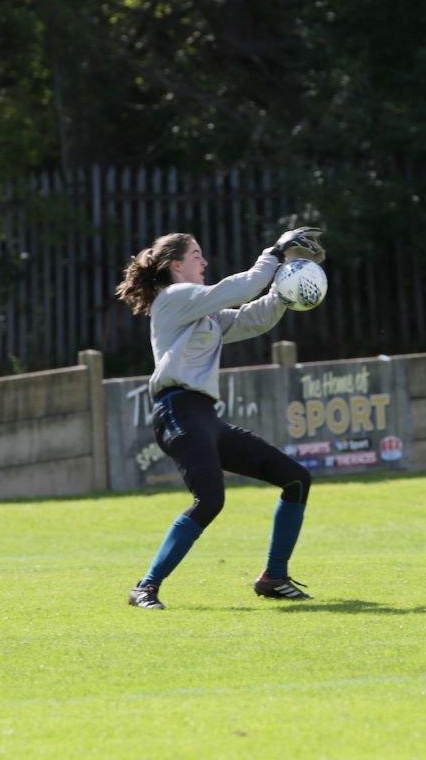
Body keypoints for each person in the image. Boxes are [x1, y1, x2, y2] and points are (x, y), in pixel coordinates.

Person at [114, 225, 326, 609]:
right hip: (177, 412)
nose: (204, 261)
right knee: (210, 499)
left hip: (204, 418)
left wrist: (285, 289)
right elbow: (239, 288)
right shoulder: (174, 298)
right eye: (197, 255)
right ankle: (145, 588)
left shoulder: (204, 315)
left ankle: (274, 577)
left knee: (296, 479)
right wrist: (276, 252)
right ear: (176, 265)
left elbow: (252, 318)